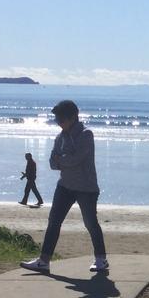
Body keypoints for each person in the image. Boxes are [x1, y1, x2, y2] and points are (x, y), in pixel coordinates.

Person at [20, 100, 108, 274]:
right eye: (57, 120)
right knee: (54, 221)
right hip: (65, 186)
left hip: (86, 188)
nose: (59, 123)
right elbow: (53, 162)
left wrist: (63, 159)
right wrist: (63, 159)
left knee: (90, 223)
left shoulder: (86, 135)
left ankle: (101, 259)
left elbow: (76, 160)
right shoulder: (60, 137)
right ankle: (44, 261)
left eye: (61, 119)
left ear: (73, 117)